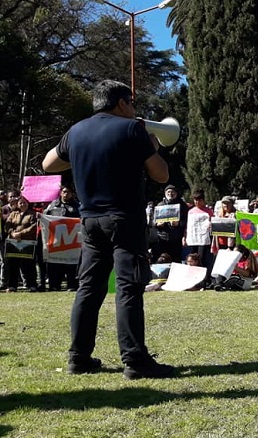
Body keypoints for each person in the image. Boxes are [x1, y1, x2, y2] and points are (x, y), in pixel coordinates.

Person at [42, 79, 174, 379]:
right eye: (132, 103)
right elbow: (162, 175)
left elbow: (48, 164)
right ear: (122, 103)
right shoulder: (132, 130)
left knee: (89, 288)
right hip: (125, 219)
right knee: (128, 287)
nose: (134, 109)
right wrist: (151, 147)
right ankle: (135, 361)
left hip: (90, 221)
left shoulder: (75, 131)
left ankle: (79, 357)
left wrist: (78, 157)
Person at [43, 184, 81, 291]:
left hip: (72, 241)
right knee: (55, 263)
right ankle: (54, 285)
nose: (66, 194)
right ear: (60, 193)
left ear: (72, 194)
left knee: (72, 263)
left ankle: (72, 285)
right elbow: (45, 217)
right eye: (64, 191)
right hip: (56, 240)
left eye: (68, 192)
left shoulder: (77, 207)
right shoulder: (52, 205)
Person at [4, 196, 39, 292]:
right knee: (13, 265)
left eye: (24, 203)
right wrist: (12, 233)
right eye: (20, 203)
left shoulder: (32, 214)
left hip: (27, 243)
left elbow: (33, 226)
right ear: (17, 204)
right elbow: (7, 224)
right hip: (13, 242)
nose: (22, 204)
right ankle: (12, 286)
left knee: (29, 265)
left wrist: (21, 233)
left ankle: (32, 285)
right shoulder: (13, 214)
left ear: (28, 204)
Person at [154, 184, 189, 263]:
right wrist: (157, 224)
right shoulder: (160, 205)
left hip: (176, 238)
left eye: (172, 192)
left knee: (176, 260)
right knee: (162, 259)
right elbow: (153, 221)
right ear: (165, 193)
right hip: (162, 238)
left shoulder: (182, 206)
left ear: (176, 193)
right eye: (168, 192)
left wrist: (178, 224)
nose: (170, 194)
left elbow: (186, 221)